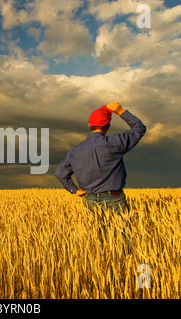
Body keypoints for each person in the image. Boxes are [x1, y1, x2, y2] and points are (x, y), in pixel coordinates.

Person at [54, 101, 146, 250]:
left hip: (90, 200)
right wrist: (121, 111)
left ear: (90, 126)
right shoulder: (115, 142)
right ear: (107, 127)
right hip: (114, 198)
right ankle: (122, 266)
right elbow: (139, 128)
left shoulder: (75, 151)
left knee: (98, 241)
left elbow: (60, 173)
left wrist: (75, 190)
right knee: (122, 241)